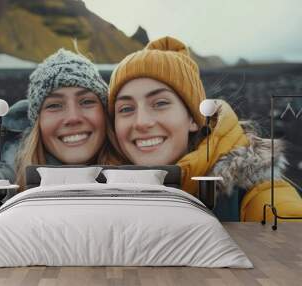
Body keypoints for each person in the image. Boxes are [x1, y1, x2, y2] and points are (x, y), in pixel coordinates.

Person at [108, 36, 302, 222]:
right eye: (126, 108)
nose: (141, 122)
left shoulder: (256, 191)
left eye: (160, 103)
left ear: (193, 118)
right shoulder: (100, 189)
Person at [0, 48, 122, 221]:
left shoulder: (134, 173)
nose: (73, 117)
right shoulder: (8, 180)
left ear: (105, 113)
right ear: (37, 123)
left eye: (86, 102)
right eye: (54, 105)